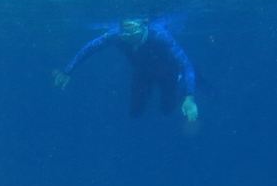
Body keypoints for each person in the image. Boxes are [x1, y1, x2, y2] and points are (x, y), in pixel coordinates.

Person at [53, 16, 199, 122]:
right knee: (135, 113)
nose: (128, 36)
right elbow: (90, 48)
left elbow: (186, 65)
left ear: (144, 27)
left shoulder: (160, 36)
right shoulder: (117, 35)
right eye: (125, 32)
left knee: (167, 110)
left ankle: (185, 87)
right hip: (141, 74)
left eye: (133, 31)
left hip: (167, 75)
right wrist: (68, 70)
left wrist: (189, 97)